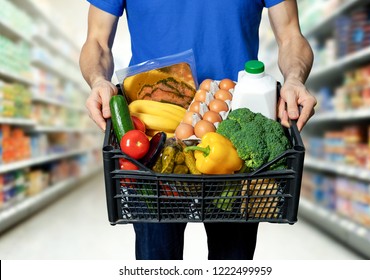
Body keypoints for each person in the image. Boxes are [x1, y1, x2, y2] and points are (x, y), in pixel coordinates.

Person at [79, 0, 317, 260]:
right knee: (157, 263)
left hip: (234, 140)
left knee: (232, 263)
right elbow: (97, 42)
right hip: (152, 142)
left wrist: (294, 78)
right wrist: (98, 80)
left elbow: (291, 35)